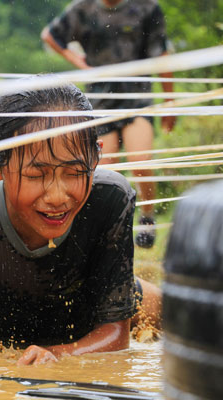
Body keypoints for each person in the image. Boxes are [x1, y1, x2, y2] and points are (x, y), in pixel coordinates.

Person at [0, 83, 161, 373]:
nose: (58, 196)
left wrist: (59, 355)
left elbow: (116, 335)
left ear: (96, 158)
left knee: (181, 317)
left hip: (89, 305)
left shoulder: (110, 197)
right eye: (35, 175)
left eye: (74, 172)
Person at [41, 0, 176, 248]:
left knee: (141, 161)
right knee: (104, 172)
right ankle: (107, 230)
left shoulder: (147, 8)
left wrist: (170, 100)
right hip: (101, 101)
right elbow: (50, 35)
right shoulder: (82, 9)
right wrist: (79, 63)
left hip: (138, 99)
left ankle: (147, 218)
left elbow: (162, 56)